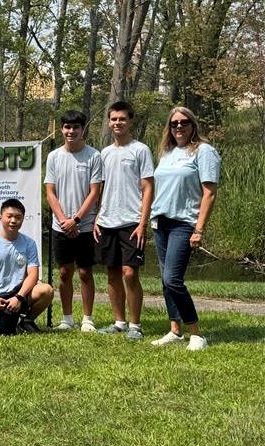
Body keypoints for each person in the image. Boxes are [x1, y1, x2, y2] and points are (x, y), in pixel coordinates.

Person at [149, 107, 220, 351]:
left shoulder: (203, 151)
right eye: (174, 123)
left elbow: (209, 193)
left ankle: (196, 334)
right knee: (165, 280)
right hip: (161, 222)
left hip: (184, 223)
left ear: (193, 124)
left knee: (173, 279)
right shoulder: (167, 153)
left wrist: (198, 229)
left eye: (184, 122)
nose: (178, 127)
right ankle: (175, 330)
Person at [93, 101, 154, 341]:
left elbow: (148, 187)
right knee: (112, 273)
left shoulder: (141, 150)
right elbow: (102, 189)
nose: (117, 123)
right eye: (114, 119)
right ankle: (119, 322)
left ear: (130, 122)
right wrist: (97, 217)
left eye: (122, 119)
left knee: (130, 273)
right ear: (109, 122)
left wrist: (142, 222)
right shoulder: (105, 153)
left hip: (131, 222)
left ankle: (135, 325)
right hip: (107, 221)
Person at [45, 110, 102, 332]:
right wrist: (63, 220)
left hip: (85, 225)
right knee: (64, 272)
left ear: (82, 130)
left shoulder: (93, 156)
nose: (71, 132)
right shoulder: (54, 157)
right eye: (67, 127)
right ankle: (67, 319)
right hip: (60, 226)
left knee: (85, 272)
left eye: (75, 127)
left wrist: (76, 220)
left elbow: (94, 192)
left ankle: (87, 318)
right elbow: (50, 192)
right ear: (62, 130)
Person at [0, 199, 54, 337]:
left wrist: (18, 298)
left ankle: (26, 321)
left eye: (18, 217)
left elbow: (33, 274)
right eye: (9, 216)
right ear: (1, 218)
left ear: (23, 219)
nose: (13, 221)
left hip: (17, 295)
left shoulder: (29, 243)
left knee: (46, 290)